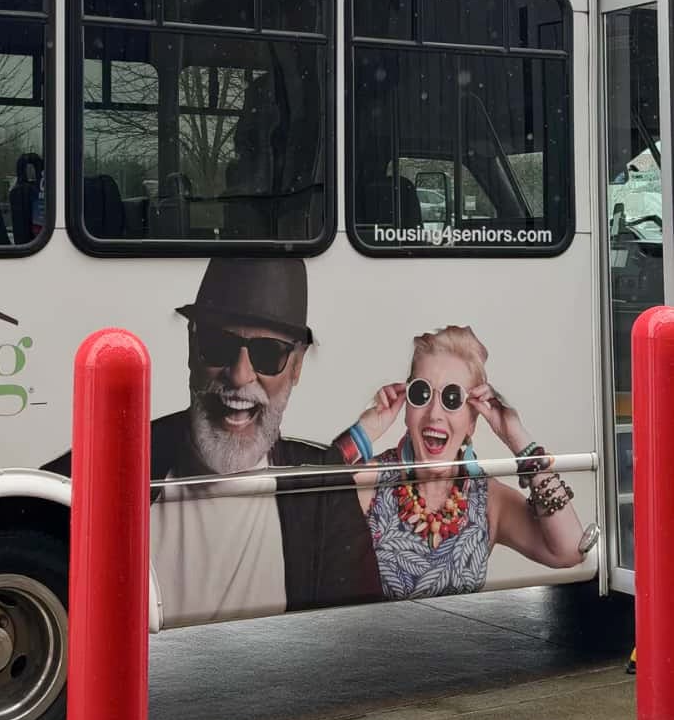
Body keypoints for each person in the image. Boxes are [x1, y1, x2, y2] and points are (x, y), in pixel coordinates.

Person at [44, 257, 381, 624]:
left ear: (297, 367)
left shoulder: (322, 487)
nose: (239, 375)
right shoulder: (104, 467)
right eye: (218, 345)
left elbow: (353, 636)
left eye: (269, 354)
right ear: (192, 348)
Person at [332, 325, 586, 601]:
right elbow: (299, 517)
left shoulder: (487, 499)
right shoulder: (372, 482)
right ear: (407, 410)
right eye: (421, 394)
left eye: (452, 399)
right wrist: (364, 432)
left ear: (472, 421)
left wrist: (520, 441)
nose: (434, 414)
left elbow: (569, 550)